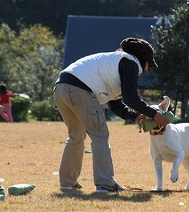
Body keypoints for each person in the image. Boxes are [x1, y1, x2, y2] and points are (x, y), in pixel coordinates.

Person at [53, 37, 171, 193]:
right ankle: (105, 183)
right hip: (80, 90)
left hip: (61, 87)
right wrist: (154, 114)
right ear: (142, 59)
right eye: (148, 66)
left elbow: (116, 105)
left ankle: (67, 183)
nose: (146, 71)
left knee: (76, 136)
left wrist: (135, 117)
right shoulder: (130, 62)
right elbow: (131, 98)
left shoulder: (114, 62)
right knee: (100, 135)